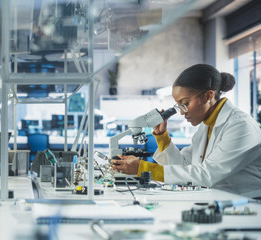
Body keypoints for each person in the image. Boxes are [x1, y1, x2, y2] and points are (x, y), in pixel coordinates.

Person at [110, 64, 261, 198]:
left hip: (247, 206)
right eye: (178, 106)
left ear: (209, 95)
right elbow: (184, 166)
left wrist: (143, 168)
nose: (182, 112)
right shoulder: (207, 125)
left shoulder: (241, 126)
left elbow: (205, 175)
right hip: (217, 200)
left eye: (185, 103)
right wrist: (162, 137)